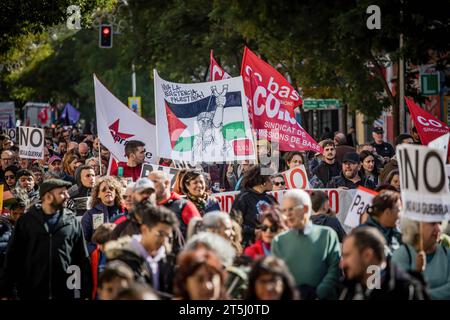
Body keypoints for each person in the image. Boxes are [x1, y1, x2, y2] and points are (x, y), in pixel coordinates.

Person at [0, 179, 92, 299]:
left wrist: (85, 291)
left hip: (63, 291)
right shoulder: (26, 221)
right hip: (31, 291)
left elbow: (81, 259)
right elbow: (13, 257)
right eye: (62, 193)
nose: (67, 196)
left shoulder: (72, 222)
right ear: (48, 197)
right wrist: (6, 291)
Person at [272, 189, 341, 300]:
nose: (287, 214)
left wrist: (320, 292)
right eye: (284, 210)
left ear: (305, 209)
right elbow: (277, 277)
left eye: (291, 209)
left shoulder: (327, 235)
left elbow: (335, 269)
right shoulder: (279, 241)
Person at [104, 204, 179, 299]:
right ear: (144, 230)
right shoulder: (122, 259)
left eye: (168, 236)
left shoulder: (168, 258)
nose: (164, 240)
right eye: (160, 234)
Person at [339, 227, 428, 300]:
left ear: (367, 255)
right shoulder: (349, 288)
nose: (342, 264)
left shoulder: (408, 290)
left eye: (347, 256)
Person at [392, 218, 450, 300]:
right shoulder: (402, 254)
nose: (438, 228)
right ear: (415, 226)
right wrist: (417, 271)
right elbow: (400, 292)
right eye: (432, 223)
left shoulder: (447, 253)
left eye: (440, 223)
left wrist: (420, 295)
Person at [231, 165, 277, 247]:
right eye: (270, 178)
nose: (273, 181)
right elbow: (234, 224)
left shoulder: (271, 199)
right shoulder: (243, 198)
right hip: (249, 246)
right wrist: (254, 231)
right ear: (263, 182)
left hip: (270, 247)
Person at [148, 170, 201, 242]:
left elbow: (200, 236)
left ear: (166, 183)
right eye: (148, 183)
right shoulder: (147, 207)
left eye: (154, 182)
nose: (150, 186)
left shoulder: (185, 206)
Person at [81, 176, 126, 253]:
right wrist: (95, 251)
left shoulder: (124, 212)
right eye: (104, 190)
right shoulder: (89, 214)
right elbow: (83, 241)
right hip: (99, 257)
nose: (108, 191)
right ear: (98, 194)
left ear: (116, 193)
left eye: (111, 189)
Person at [359, 191, 403, 257]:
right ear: (387, 212)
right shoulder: (363, 235)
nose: (401, 215)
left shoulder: (397, 233)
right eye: (399, 211)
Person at [90, 223, 116, 299]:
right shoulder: (95, 254)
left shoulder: (120, 257)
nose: (100, 247)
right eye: (99, 244)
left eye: (103, 244)